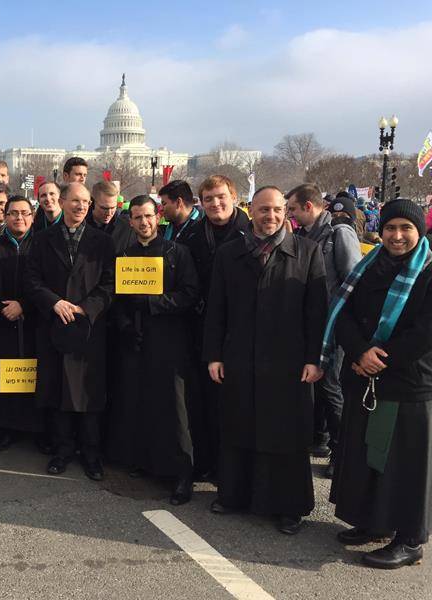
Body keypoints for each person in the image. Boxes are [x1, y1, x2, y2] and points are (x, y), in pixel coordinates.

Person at [203, 186, 327, 534]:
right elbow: (217, 309)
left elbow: (317, 312)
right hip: (240, 357)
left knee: (285, 433)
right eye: (262, 210)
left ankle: (288, 506)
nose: (269, 216)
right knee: (239, 425)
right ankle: (234, 494)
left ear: (286, 212)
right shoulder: (230, 254)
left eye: (276, 210)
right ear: (251, 211)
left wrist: (316, 358)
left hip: (289, 362)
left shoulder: (307, 251)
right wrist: (213, 354)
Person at [328, 199, 432, 569]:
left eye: (406, 228)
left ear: (419, 232)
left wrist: (377, 359)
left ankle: (410, 538)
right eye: (390, 228)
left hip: (408, 381)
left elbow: (424, 332)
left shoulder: (428, 272)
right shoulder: (368, 267)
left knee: (406, 464)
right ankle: (376, 521)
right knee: (371, 455)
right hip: (366, 376)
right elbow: (344, 315)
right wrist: (358, 352)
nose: (398, 236)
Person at [106, 195, 199, 504]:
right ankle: (146, 462)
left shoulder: (178, 253)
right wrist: (124, 325)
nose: (143, 222)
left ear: (157, 217)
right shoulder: (125, 255)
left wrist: (153, 303)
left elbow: (189, 294)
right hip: (136, 341)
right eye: (137, 217)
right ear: (130, 222)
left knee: (174, 409)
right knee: (140, 403)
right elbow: (117, 300)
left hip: (169, 340)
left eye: (148, 216)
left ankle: (182, 475)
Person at [25, 182, 115, 481]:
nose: (80, 207)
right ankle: (62, 451)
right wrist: (54, 303)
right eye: (75, 201)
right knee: (59, 391)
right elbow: (32, 280)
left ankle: (91, 454)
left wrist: (86, 307)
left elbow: (109, 284)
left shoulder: (102, 242)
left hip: (88, 328)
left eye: (86, 202)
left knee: (89, 393)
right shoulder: (42, 239)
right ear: (62, 202)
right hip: (55, 324)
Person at [287, 183, 361, 476]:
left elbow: (353, 280)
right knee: (316, 385)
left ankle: (343, 453)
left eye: (292, 208)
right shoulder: (305, 234)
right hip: (311, 322)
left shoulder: (339, 233)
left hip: (334, 324)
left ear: (308, 207)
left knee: (331, 387)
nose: (289, 214)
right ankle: (322, 439)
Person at [181, 175, 250, 481]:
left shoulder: (252, 232)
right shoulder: (193, 235)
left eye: (220, 197)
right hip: (201, 327)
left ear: (233, 197)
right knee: (203, 400)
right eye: (208, 199)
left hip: (241, 330)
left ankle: (231, 468)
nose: (215, 203)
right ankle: (206, 460)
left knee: (234, 403)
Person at [0, 195, 44, 450]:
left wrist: (25, 305)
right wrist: (5, 306)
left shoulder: (44, 245)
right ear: (5, 216)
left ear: (32, 216)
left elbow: (49, 284)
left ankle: (35, 427)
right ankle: (6, 427)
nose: (19, 218)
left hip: (36, 321)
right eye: (13, 213)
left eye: (24, 213)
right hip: (3, 320)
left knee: (36, 374)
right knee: (5, 376)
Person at [87, 180, 135, 254]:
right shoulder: (80, 224)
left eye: (113, 208)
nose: (109, 213)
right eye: (104, 208)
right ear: (92, 203)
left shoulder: (127, 227)